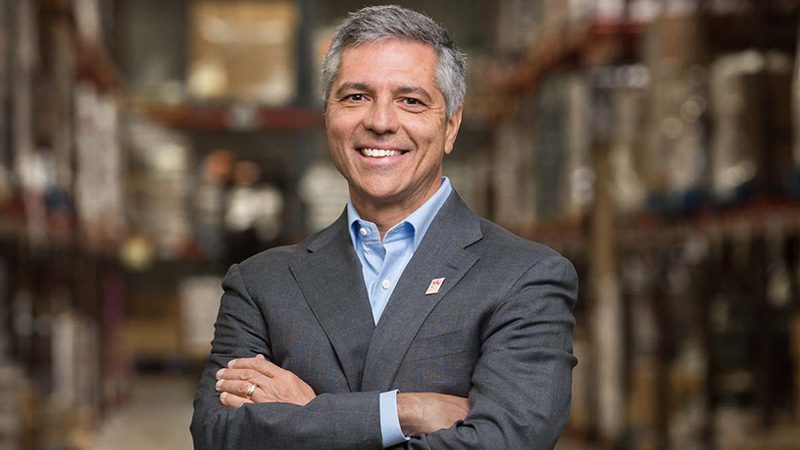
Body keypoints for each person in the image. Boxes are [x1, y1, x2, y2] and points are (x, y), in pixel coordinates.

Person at [191, 5, 578, 449]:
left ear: (451, 125)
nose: (380, 121)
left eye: (410, 100)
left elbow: (505, 442)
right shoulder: (261, 285)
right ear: (326, 116)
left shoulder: (525, 277)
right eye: (356, 96)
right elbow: (219, 435)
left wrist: (309, 415)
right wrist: (405, 411)